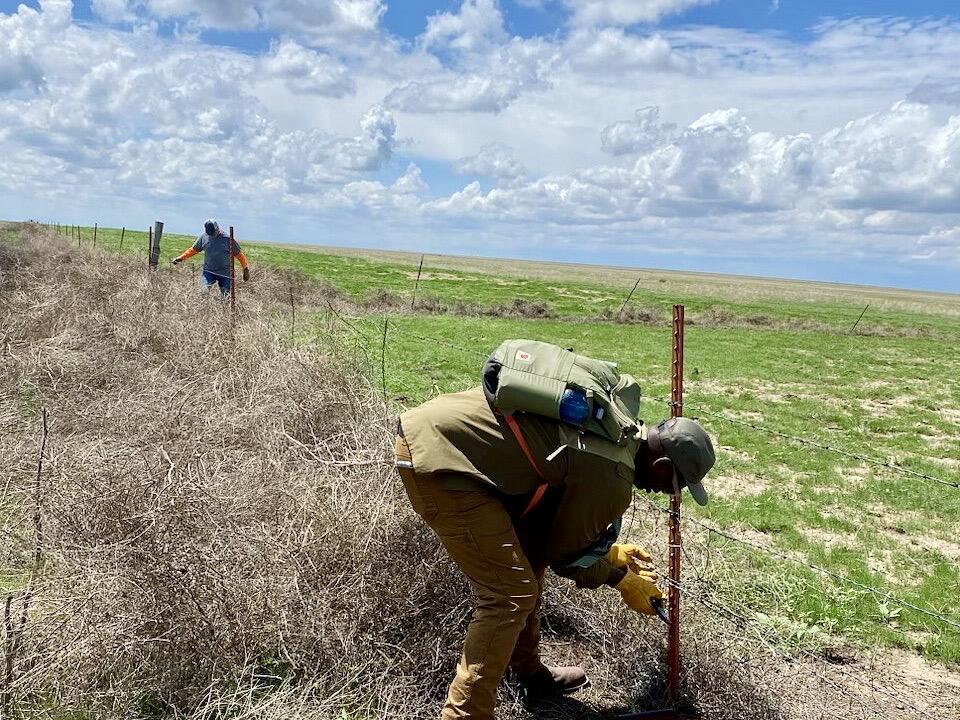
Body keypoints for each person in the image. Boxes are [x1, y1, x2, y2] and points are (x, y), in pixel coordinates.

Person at [395, 384, 715, 719]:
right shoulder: (615, 474)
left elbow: (550, 535)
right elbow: (567, 557)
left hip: (442, 439)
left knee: (530, 555)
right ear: (662, 465)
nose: (666, 493)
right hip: (441, 459)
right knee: (509, 594)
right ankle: (465, 715)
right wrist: (623, 579)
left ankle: (529, 674)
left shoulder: (618, 431)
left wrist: (607, 554)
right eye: (674, 485)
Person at [172, 220, 250, 295]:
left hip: (225, 274)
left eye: (213, 232)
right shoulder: (204, 237)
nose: (212, 235)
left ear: (217, 228)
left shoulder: (227, 239)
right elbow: (193, 250)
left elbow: (240, 255)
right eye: (209, 233)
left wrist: (245, 269)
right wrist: (181, 258)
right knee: (203, 292)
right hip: (208, 272)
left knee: (226, 297)